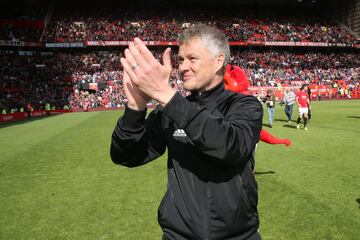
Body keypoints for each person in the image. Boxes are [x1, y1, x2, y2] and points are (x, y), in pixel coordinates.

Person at [111, 24, 263, 240]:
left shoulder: (244, 105)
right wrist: (135, 109)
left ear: (219, 61)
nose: (183, 67)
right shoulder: (169, 110)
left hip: (238, 236)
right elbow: (125, 156)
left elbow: (229, 147)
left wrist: (166, 95)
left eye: (192, 59)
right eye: (180, 60)